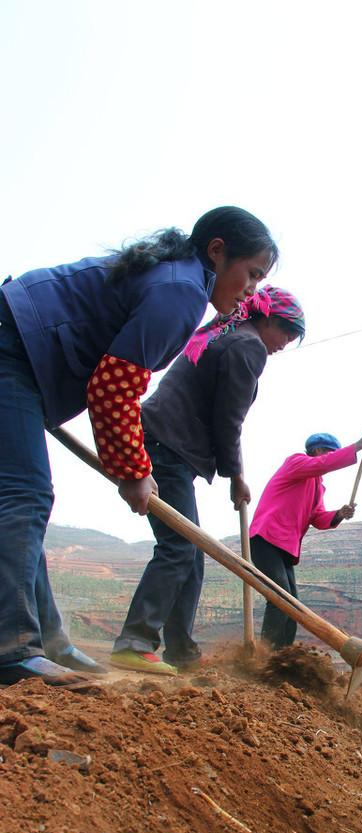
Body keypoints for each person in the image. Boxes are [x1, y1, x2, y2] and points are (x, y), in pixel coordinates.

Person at [0, 206, 278, 687]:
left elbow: (106, 381)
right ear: (217, 251)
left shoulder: (177, 282)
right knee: (25, 496)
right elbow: (112, 388)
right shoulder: (179, 294)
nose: (252, 288)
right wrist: (132, 470)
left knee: (24, 503)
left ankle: (52, 644)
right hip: (11, 349)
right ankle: (11, 648)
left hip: (20, 355)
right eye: (252, 273)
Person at [110, 285, 305, 675]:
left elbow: (223, 413)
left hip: (164, 441)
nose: (285, 343)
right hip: (169, 445)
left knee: (190, 551)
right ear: (268, 320)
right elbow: (228, 420)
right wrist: (237, 477)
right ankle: (134, 641)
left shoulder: (226, 332)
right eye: (286, 332)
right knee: (179, 547)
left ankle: (181, 651)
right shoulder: (247, 347)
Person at [249, 429, 362, 648]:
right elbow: (322, 464)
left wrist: (338, 514)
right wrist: (357, 446)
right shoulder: (297, 462)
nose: (330, 458)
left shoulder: (318, 486)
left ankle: (284, 657)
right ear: (317, 450)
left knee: (293, 606)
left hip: (285, 547)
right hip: (266, 538)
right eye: (328, 453)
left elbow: (317, 517)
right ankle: (264, 655)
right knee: (280, 599)